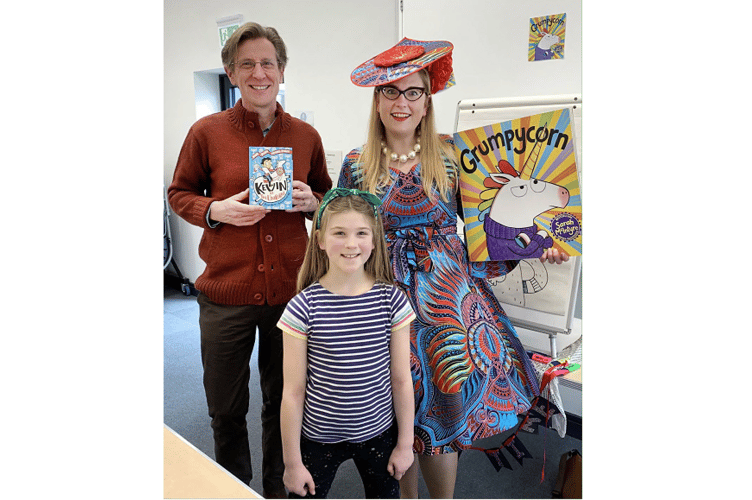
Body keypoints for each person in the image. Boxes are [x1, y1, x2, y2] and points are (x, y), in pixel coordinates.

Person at [342, 38, 569, 498]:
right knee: (392, 412)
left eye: (413, 92)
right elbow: (345, 238)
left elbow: (491, 230)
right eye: (390, 91)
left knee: (441, 410)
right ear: (376, 100)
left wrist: (539, 243)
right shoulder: (355, 164)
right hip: (384, 307)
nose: (401, 102)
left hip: (448, 310)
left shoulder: (453, 156)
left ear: (428, 101)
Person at [167, 22, 332, 498]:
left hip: (292, 297)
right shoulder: (207, 132)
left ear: (282, 71)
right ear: (231, 73)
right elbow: (179, 194)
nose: (259, 73)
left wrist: (312, 204)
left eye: (268, 63)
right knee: (225, 406)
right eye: (247, 65)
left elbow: (328, 194)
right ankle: (233, 488)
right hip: (226, 294)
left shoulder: (305, 136)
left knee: (286, 404)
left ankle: (282, 489)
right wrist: (215, 210)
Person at [277, 188, 416, 498]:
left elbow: (401, 379)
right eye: (339, 233)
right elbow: (293, 391)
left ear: (374, 240)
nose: (352, 243)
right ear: (321, 240)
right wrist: (292, 463)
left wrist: (405, 444)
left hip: (379, 433)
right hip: (318, 437)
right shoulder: (303, 308)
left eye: (361, 233)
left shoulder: (392, 301)